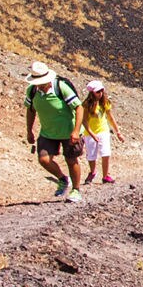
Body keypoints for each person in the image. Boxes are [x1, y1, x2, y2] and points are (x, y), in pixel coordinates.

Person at [23, 61, 84, 202]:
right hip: (48, 132)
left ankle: (76, 190)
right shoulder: (32, 91)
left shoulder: (61, 87)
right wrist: (29, 130)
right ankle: (63, 179)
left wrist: (76, 131)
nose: (39, 85)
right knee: (44, 159)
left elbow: (79, 108)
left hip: (68, 131)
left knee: (71, 159)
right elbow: (30, 110)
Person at [81, 79, 124, 184]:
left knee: (105, 153)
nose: (100, 94)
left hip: (103, 130)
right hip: (90, 133)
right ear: (92, 93)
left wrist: (118, 131)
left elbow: (110, 117)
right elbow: (84, 121)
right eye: (97, 92)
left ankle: (106, 176)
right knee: (91, 155)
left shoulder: (105, 102)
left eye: (101, 91)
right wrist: (92, 134)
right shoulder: (86, 104)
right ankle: (92, 172)